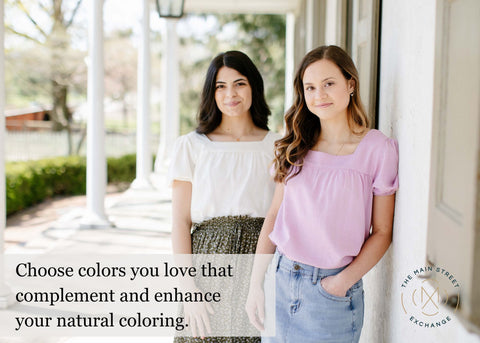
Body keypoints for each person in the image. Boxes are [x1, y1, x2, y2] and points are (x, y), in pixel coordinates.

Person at [246, 45, 399, 343]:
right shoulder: (295, 145)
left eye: (329, 84)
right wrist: (255, 284)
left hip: (331, 293)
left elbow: (382, 231)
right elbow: (275, 216)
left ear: (350, 84)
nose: (319, 95)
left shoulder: (378, 149)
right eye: (310, 87)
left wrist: (340, 283)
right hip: (281, 277)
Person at [169, 50, 281, 343]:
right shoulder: (192, 146)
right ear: (211, 93)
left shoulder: (277, 146)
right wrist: (188, 289)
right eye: (220, 86)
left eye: (239, 83)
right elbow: (180, 222)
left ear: (254, 87)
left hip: (262, 262)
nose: (230, 93)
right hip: (207, 262)